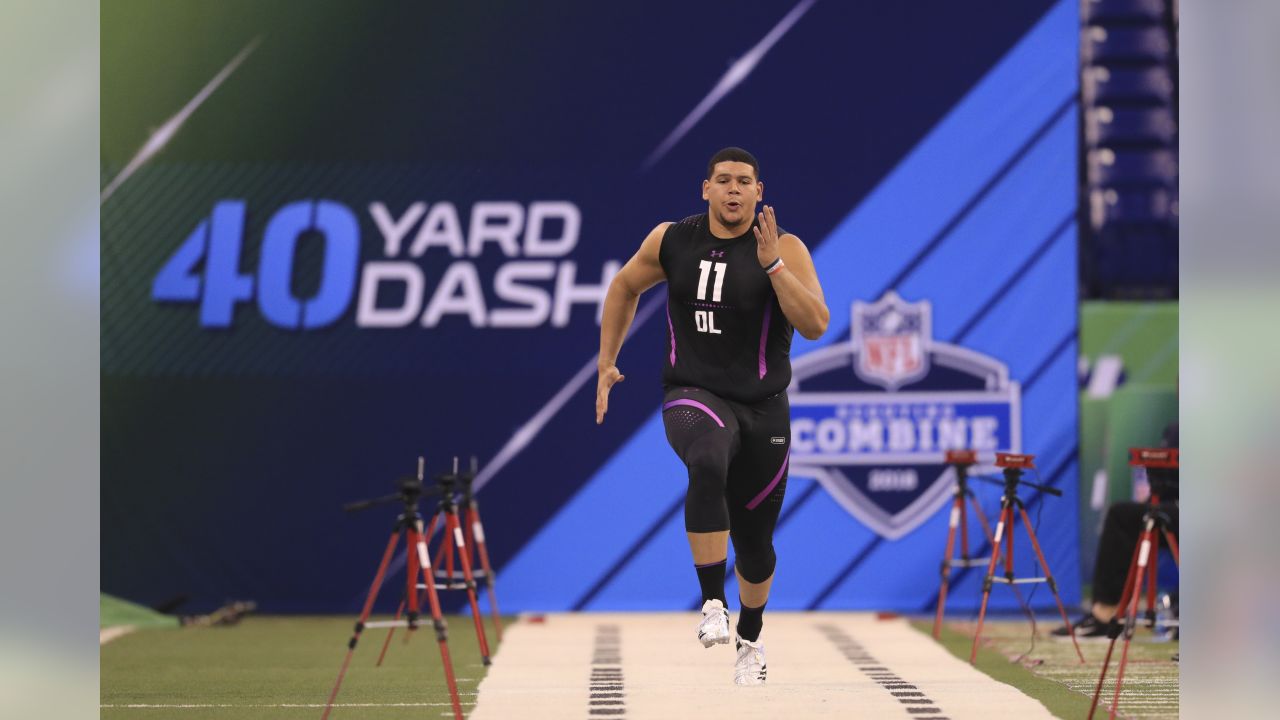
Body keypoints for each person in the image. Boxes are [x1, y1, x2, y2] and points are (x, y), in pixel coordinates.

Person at [595, 147, 829, 685]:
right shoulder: (673, 240)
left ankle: (750, 634)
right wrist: (607, 362)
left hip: (765, 408)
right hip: (693, 392)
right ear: (705, 189)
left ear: (758, 192)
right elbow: (624, 286)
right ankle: (711, 603)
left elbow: (816, 323)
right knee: (707, 457)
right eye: (722, 180)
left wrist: (772, 264)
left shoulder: (785, 247)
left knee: (756, 545)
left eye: (744, 182)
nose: (733, 190)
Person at [1054, 421, 1179, 639]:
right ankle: (1105, 613)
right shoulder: (1176, 428)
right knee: (1123, 515)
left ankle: (1104, 615)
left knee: (1122, 515)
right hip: (1174, 508)